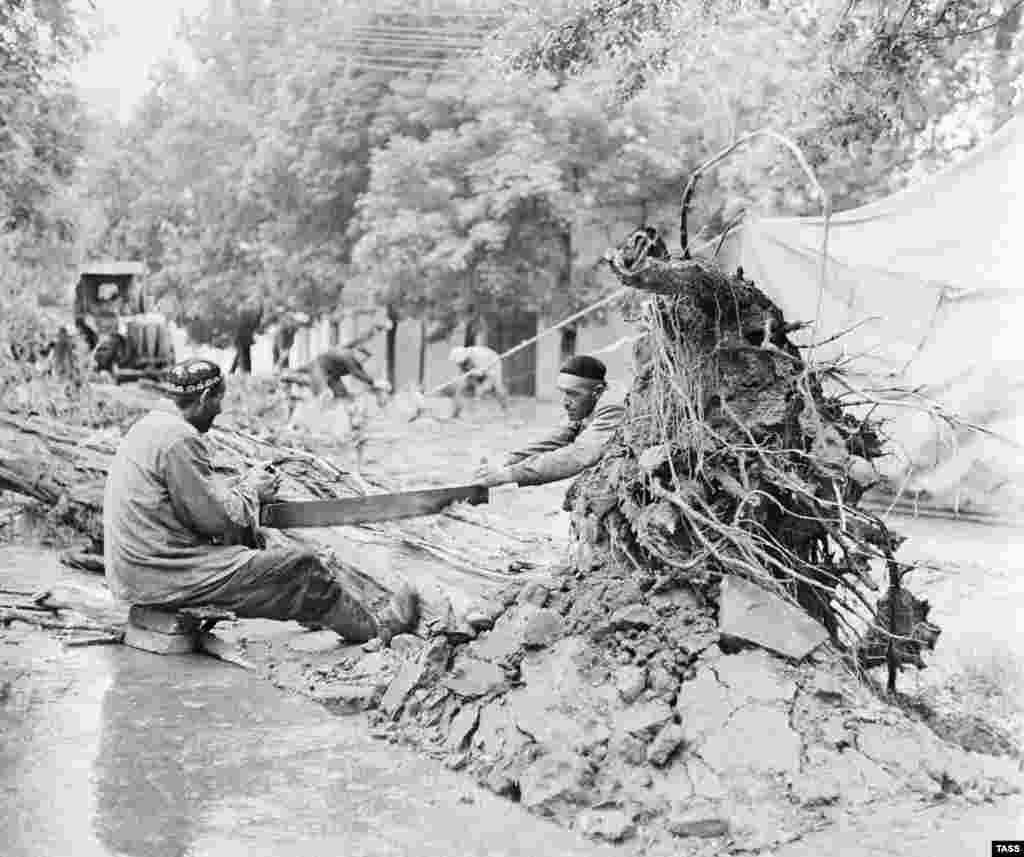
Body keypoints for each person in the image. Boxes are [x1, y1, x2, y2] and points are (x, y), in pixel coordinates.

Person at [102, 358, 418, 643]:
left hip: (138, 570)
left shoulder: (150, 427)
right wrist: (251, 490)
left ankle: (315, 609)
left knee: (254, 543)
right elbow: (214, 520)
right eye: (218, 400)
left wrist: (240, 486)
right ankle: (377, 628)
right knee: (302, 567)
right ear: (202, 399)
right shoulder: (179, 438)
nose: (220, 409)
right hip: (161, 574)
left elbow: (186, 497)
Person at [474, 354, 624, 488]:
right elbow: (555, 439)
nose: (565, 402)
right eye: (564, 392)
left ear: (597, 391)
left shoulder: (614, 406)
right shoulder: (587, 400)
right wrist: (504, 462)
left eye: (572, 394)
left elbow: (579, 455)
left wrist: (508, 475)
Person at [448, 345, 509, 418]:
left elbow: (491, 378)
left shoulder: (482, 356)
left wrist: (481, 388)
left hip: (493, 363)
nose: (460, 366)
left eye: (462, 364)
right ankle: (456, 413)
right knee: (459, 388)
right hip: (476, 366)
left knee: (497, 387)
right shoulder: (463, 359)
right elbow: (465, 375)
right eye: (459, 364)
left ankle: (505, 410)